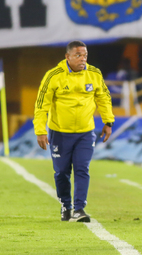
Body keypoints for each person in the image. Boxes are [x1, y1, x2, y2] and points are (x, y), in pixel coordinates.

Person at [33, 41, 115, 222]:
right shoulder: (53, 76)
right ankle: (65, 205)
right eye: (78, 55)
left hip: (86, 132)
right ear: (67, 57)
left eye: (85, 55)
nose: (82, 58)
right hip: (60, 132)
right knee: (61, 172)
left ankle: (79, 209)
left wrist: (108, 121)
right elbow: (41, 105)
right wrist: (40, 130)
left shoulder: (94, 74)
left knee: (82, 168)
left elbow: (104, 97)